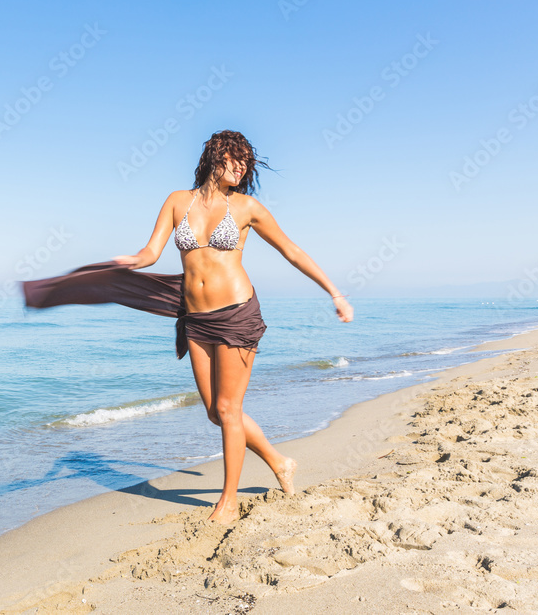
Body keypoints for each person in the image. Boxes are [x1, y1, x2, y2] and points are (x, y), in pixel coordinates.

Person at [22, 130, 353, 523]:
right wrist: (123, 263)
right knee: (216, 411)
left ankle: (228, 500)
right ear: (216, 156)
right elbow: (151, 252)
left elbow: (291, 251)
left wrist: (335, 292)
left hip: (236, 315)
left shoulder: (247, 207)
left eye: (246, 161)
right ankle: (280, 463)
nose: (241, 166)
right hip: (195, 319)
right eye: (235, 158)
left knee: (230, 409)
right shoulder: (178, 202)